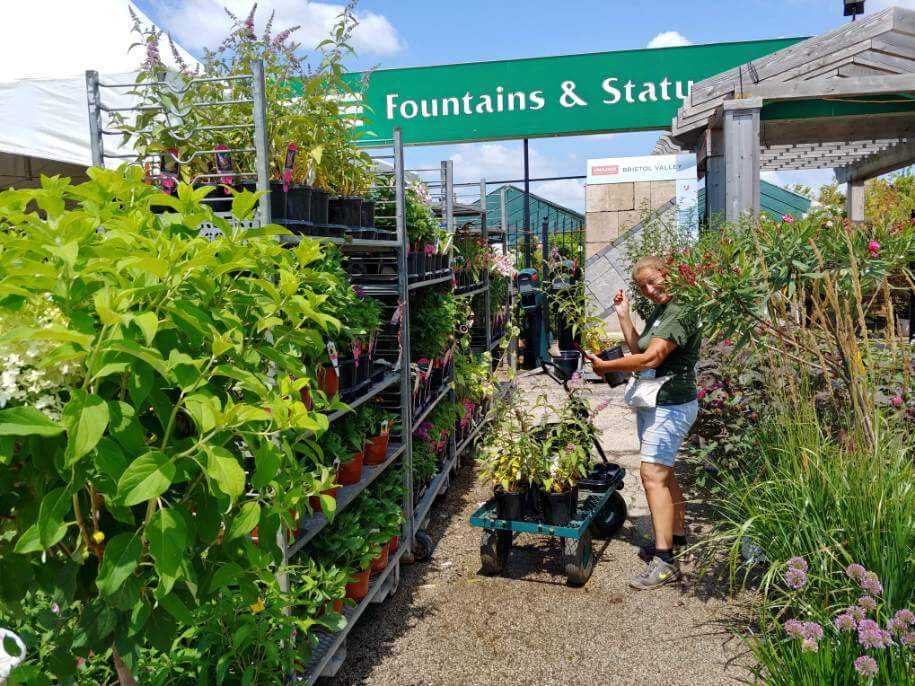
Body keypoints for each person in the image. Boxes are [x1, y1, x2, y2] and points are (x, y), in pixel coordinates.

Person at [583, 255, 701, 590]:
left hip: (671, 403)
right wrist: (624, 315)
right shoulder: (663, 310)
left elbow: (651, 358)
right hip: (657, 401)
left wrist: (606, 368)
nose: (650, 290)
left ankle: (664, 562)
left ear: (668, 273)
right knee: (664, 472)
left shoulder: (682, 308)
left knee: (651, 475)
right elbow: (639, 346)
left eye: (654, 281)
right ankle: (675, 536)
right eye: (642, 287)